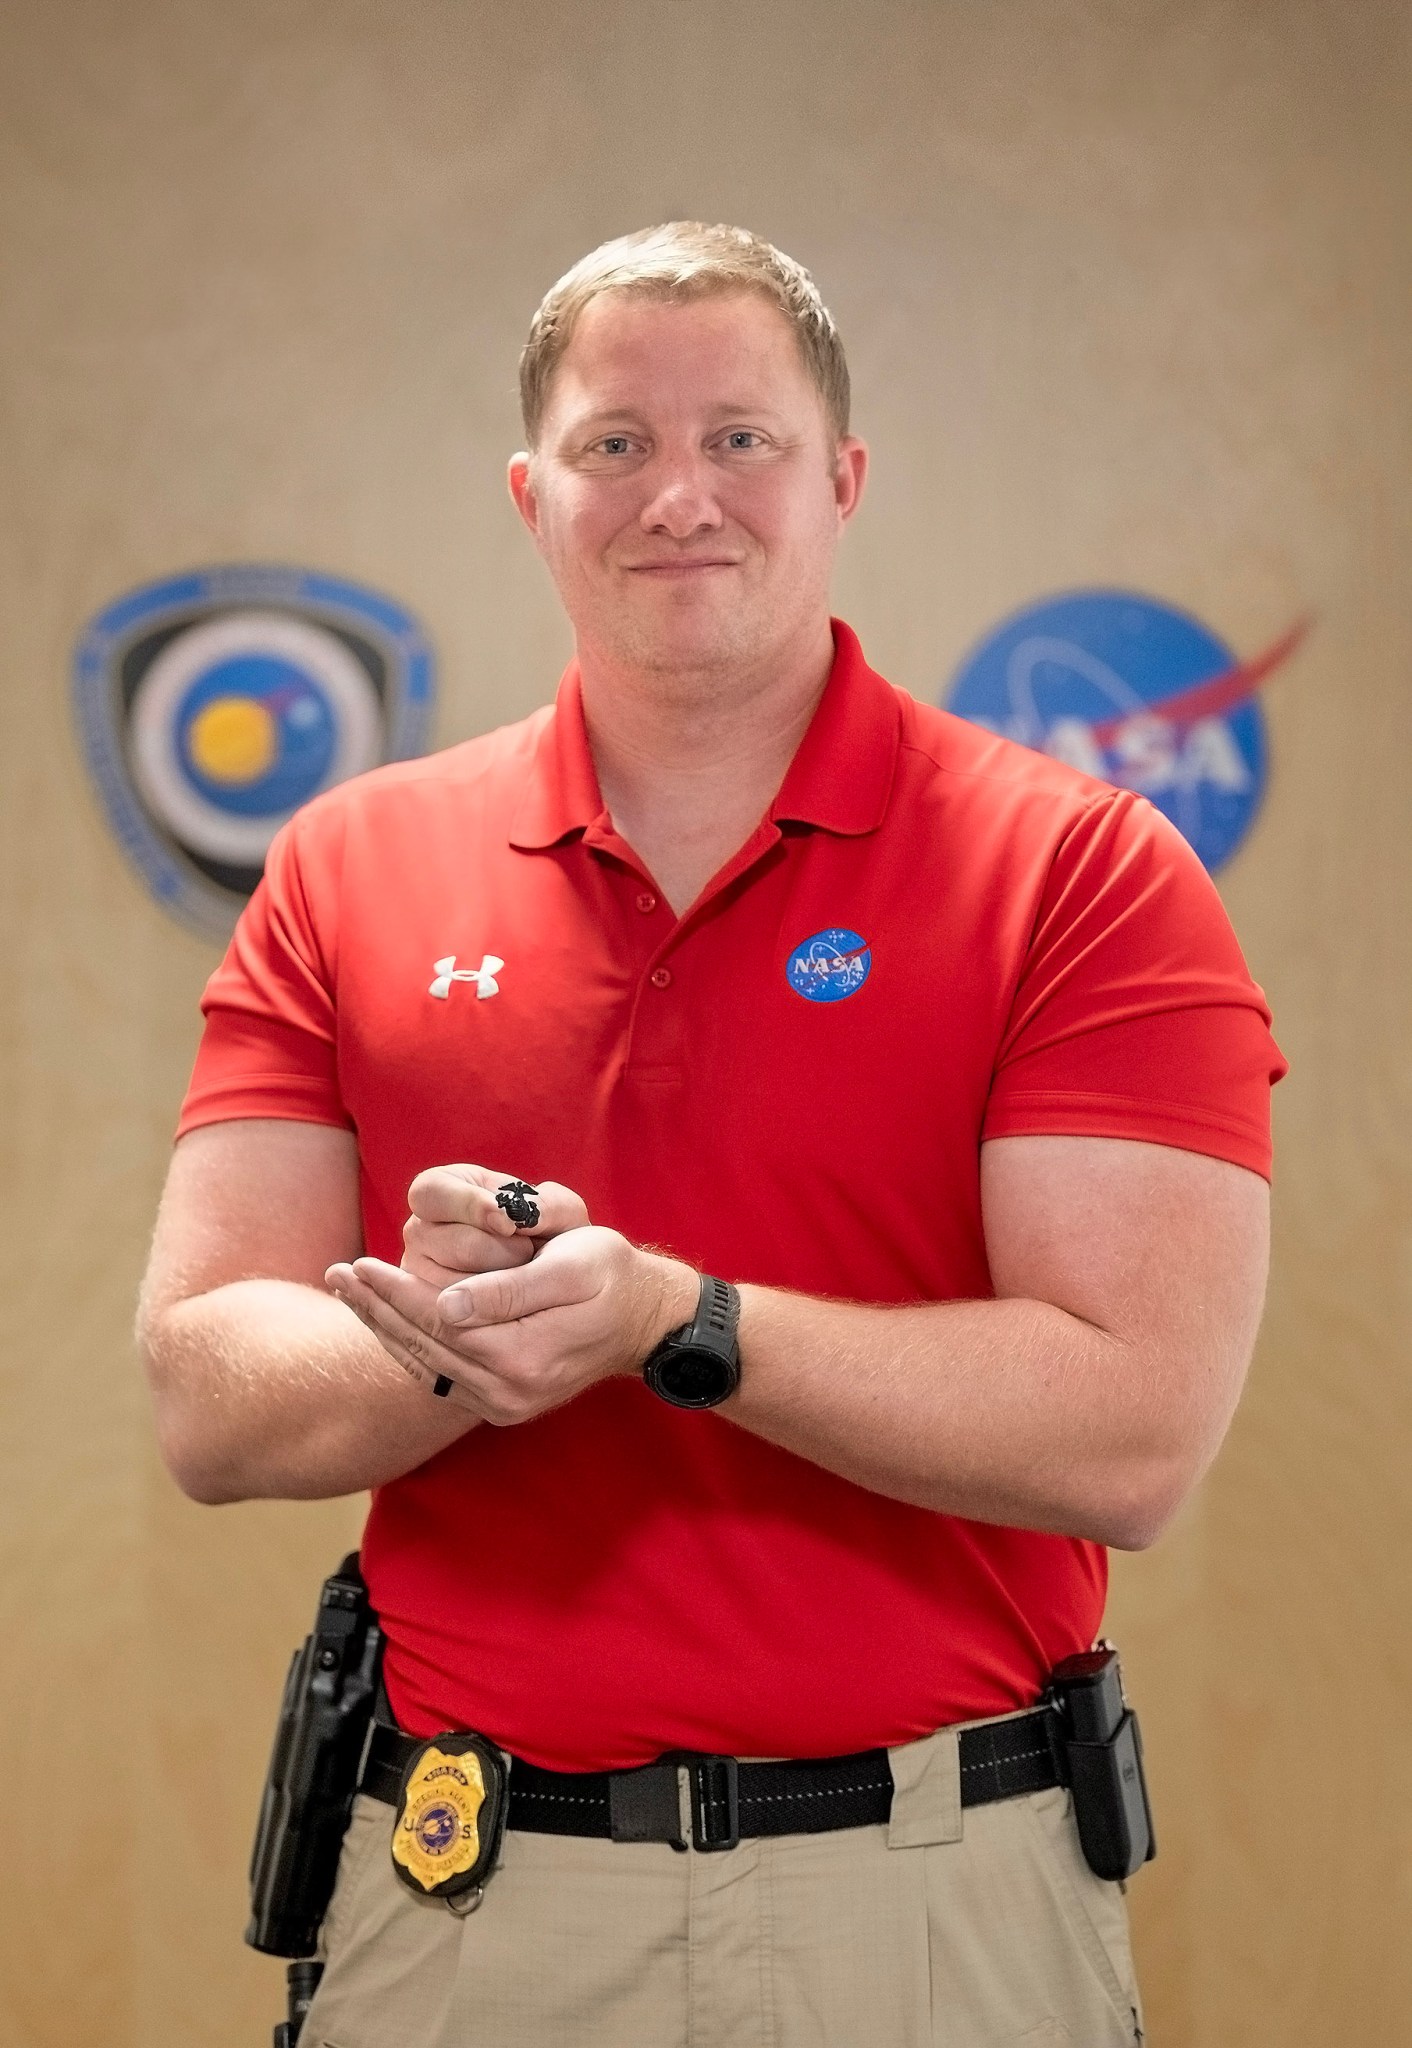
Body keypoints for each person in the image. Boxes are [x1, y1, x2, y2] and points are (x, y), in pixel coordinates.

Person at [138, 221, 1284, 2047]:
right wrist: (446, 1340)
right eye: (616, 444)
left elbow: (1136, 1432)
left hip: (936, 1902)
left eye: (740, 438)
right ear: (534, 494)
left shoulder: (1083, 870)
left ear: (840, 480)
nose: (679, 494)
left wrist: (681, 1323)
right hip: (463, 1901)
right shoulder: (346, 865)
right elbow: (205, 1394)